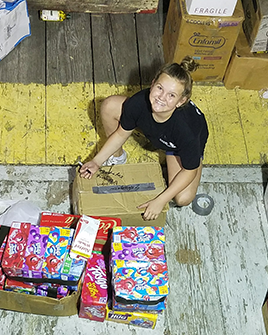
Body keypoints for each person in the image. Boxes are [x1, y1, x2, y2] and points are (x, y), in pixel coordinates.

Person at [79, 57, 208, 221]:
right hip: (156, 129)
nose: (161, 97)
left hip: (175, 146)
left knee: (183, 198)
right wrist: (96, 161)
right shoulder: (139, 102)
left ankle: (184, 162)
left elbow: (190, 171)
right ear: (152, 83)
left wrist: (160, 200)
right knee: (109, 106)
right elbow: (121, 133)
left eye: (171, 95)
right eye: (160, 88)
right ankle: (117, 156)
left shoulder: (186, 131)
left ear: (181, 101)